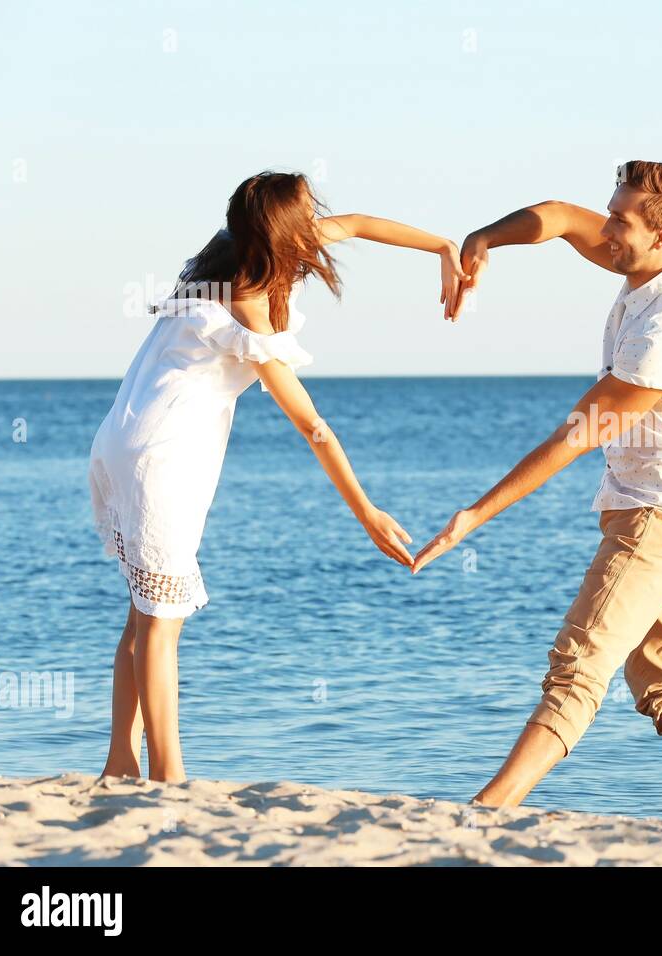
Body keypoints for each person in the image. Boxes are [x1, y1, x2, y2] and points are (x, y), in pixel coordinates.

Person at [89, 170, 465, 782]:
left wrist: (445, 247)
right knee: (162, 623)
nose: (320, 218)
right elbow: (311, 422)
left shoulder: (235, 251)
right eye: (309, 211)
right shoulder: (247, 297)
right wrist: (365, 510)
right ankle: (168, 776)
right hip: (164, 452)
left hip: (127, 436)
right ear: (284, 231)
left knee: (142, 612)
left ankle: (118, 762)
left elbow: (365, 224)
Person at [411, 160, 662, 820]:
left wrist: (475, 514)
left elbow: (578, 434)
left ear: (661, 236)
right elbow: (562, 217)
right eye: (613, 212)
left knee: (578, 669)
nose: (606, 231)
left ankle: (485, 813)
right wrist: (484, 239)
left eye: (619, 221)